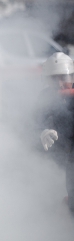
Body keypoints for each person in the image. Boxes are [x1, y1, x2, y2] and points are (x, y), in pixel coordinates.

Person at [38, 52, 74, 213]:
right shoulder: (45, 97)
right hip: (61, 149)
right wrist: (42, 131)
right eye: (54, 79)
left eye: (63, 78)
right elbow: (36, 119)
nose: (60, 84)